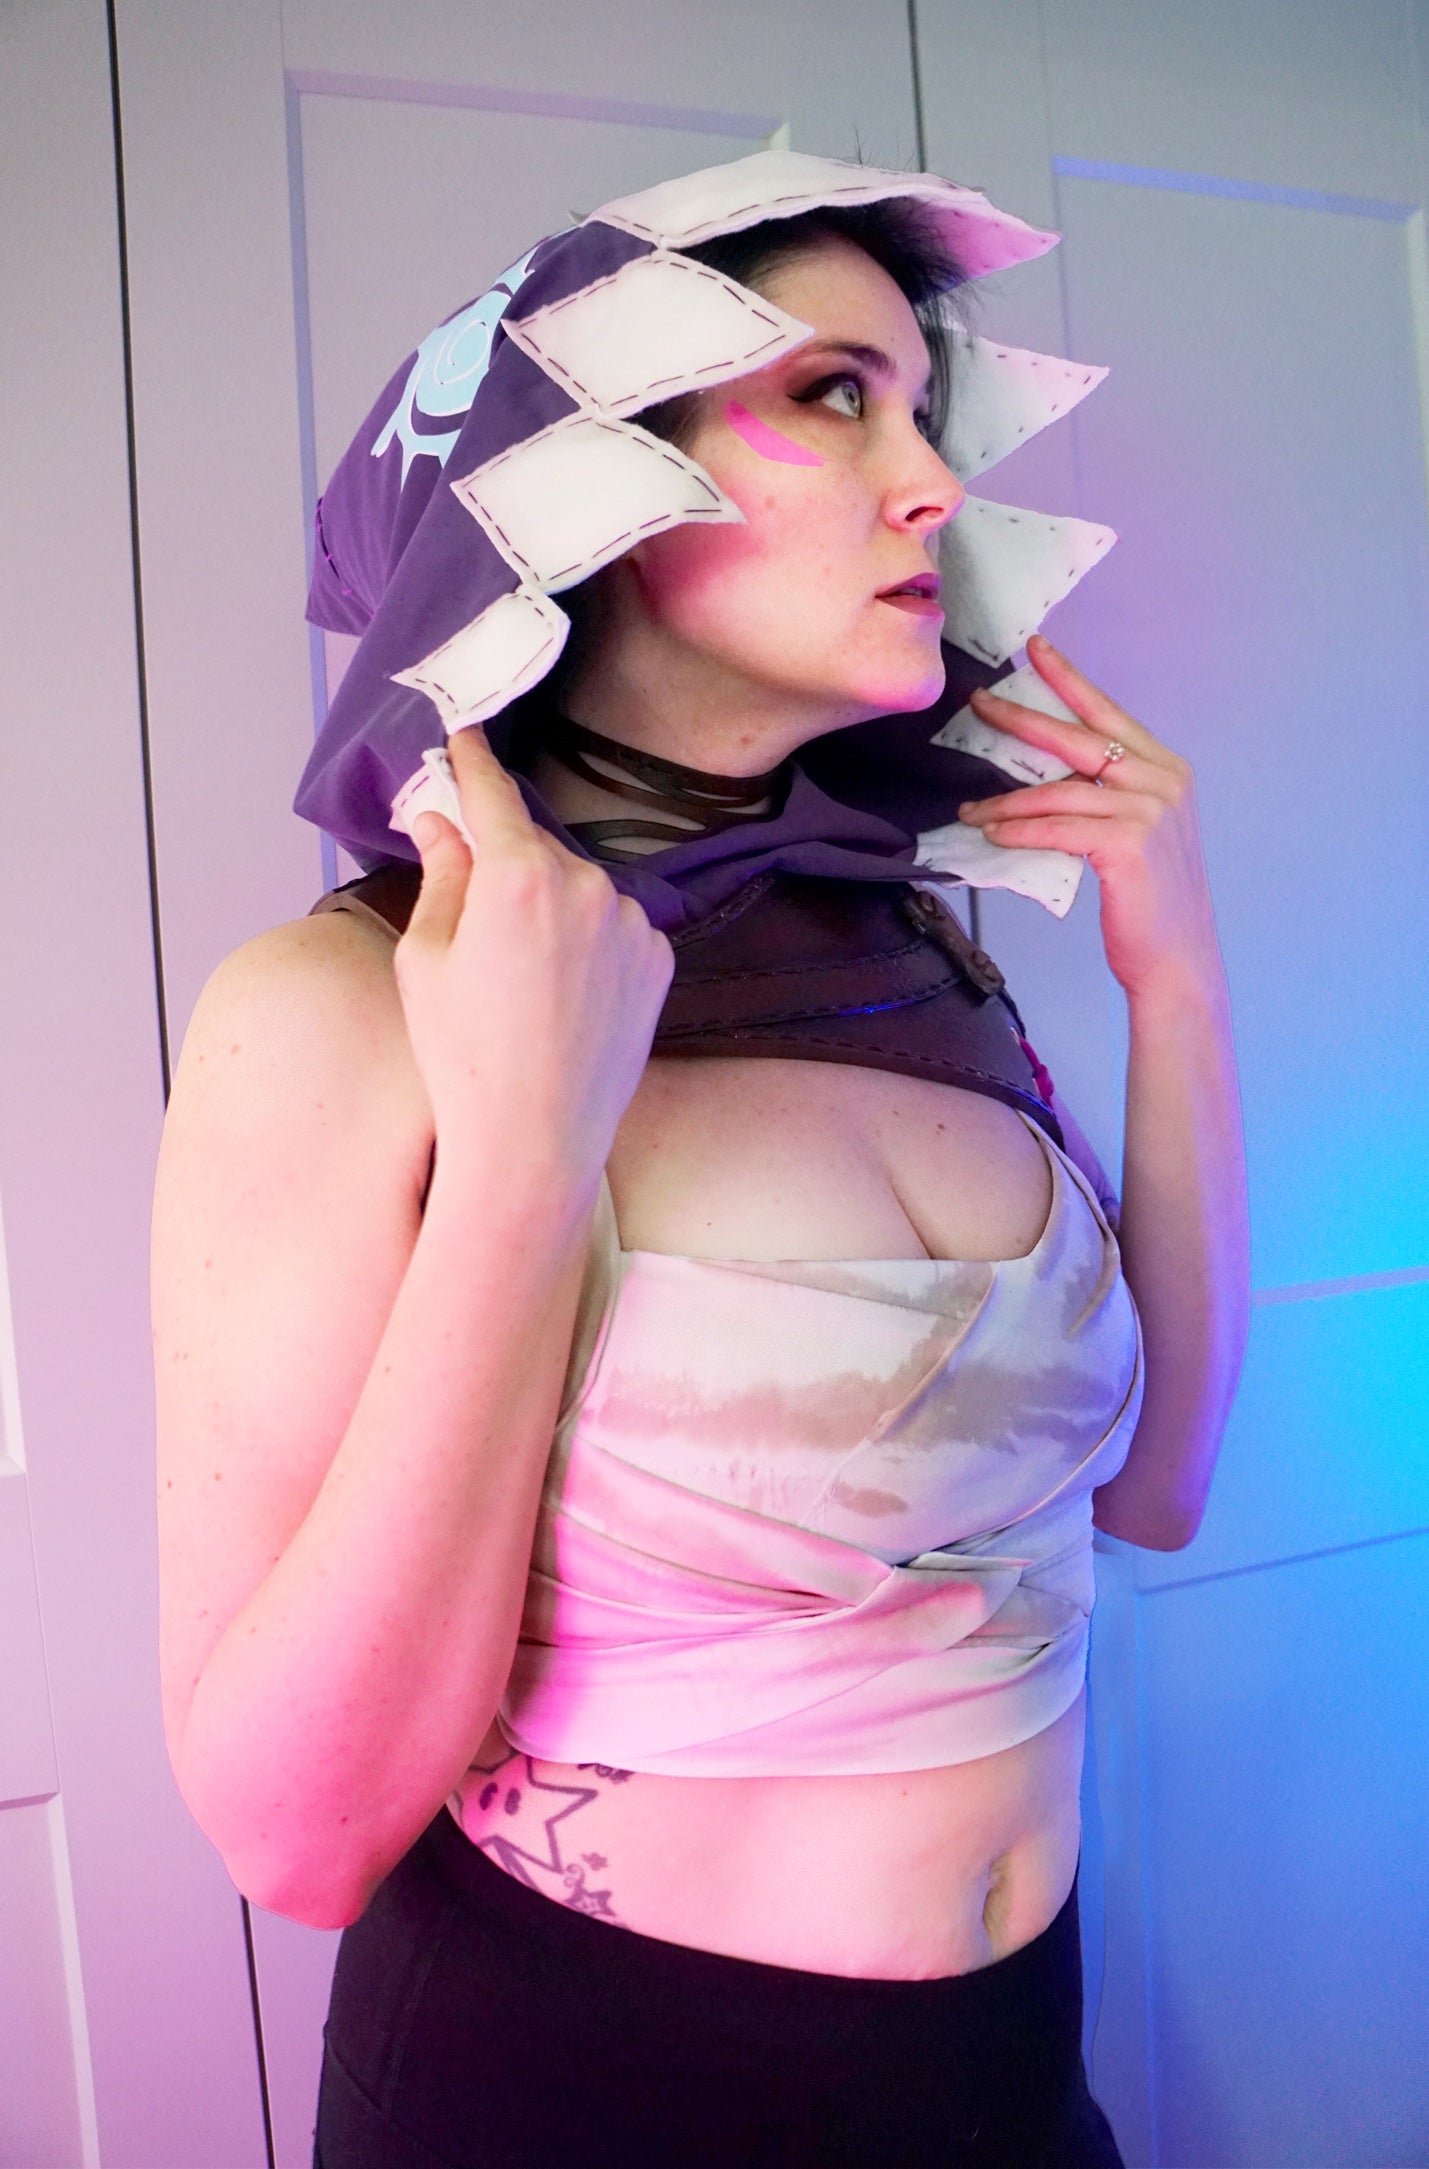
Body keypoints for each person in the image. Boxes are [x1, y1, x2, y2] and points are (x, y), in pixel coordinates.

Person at [152, 150, 1249, 2166]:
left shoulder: (921, 950)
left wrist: (1174, 985)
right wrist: (524, 1164)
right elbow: (294, 1837)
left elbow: (1155, 1488)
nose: (932, 483)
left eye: (922, 407)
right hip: (584, 2093)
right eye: (833, 396)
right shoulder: (338, 1009)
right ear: (585, 491)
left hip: (1017, 2086)